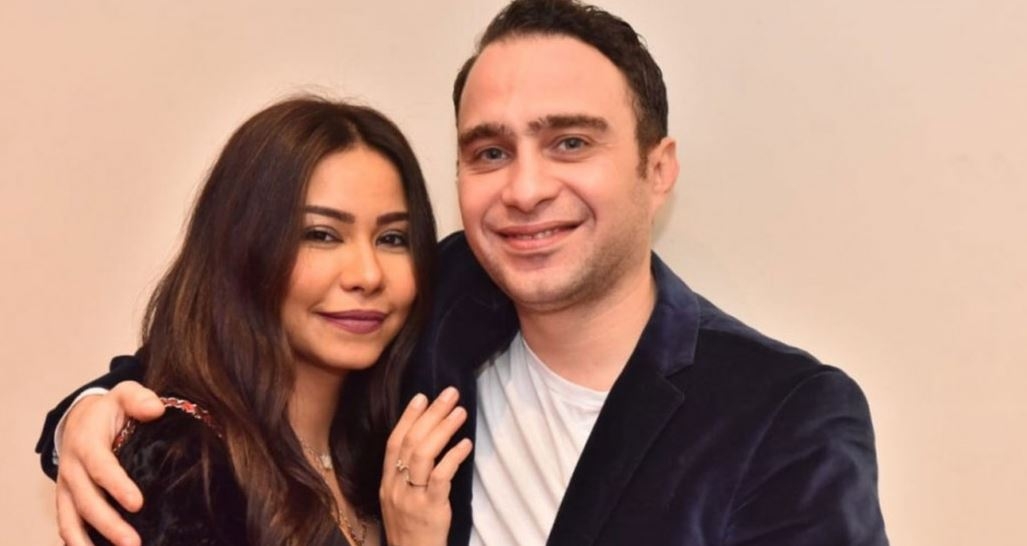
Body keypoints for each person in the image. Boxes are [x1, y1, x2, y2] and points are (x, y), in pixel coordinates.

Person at [38, 1, 889, 545]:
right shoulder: (428, 306)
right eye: (490, 152)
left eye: (569, 141)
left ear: (656, 169)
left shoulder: (784, 416)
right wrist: (88, 415)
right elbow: (212, 358)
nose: (525, 189)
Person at [41, 96, 473, 546]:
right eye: (322, 235)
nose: (368, 275)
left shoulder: (382, 441)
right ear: (244, 249)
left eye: (393, 238)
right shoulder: (186, 470)